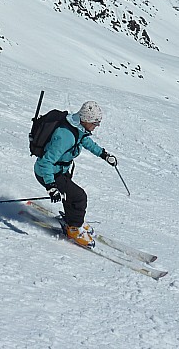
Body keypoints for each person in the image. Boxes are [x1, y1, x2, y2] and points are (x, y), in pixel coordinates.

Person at [33, 100, 118, 247]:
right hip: (48, 173)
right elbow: (46, 162)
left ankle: (72, 221)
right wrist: (51, 186)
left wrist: (104, 155)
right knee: (79, 197)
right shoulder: (65, 137)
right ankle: (74, 229)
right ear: (86, 120)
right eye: (95, 123)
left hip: (60, 171)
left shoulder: (77, 128)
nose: (96, 127)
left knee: (70, 195)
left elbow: (86, 142)